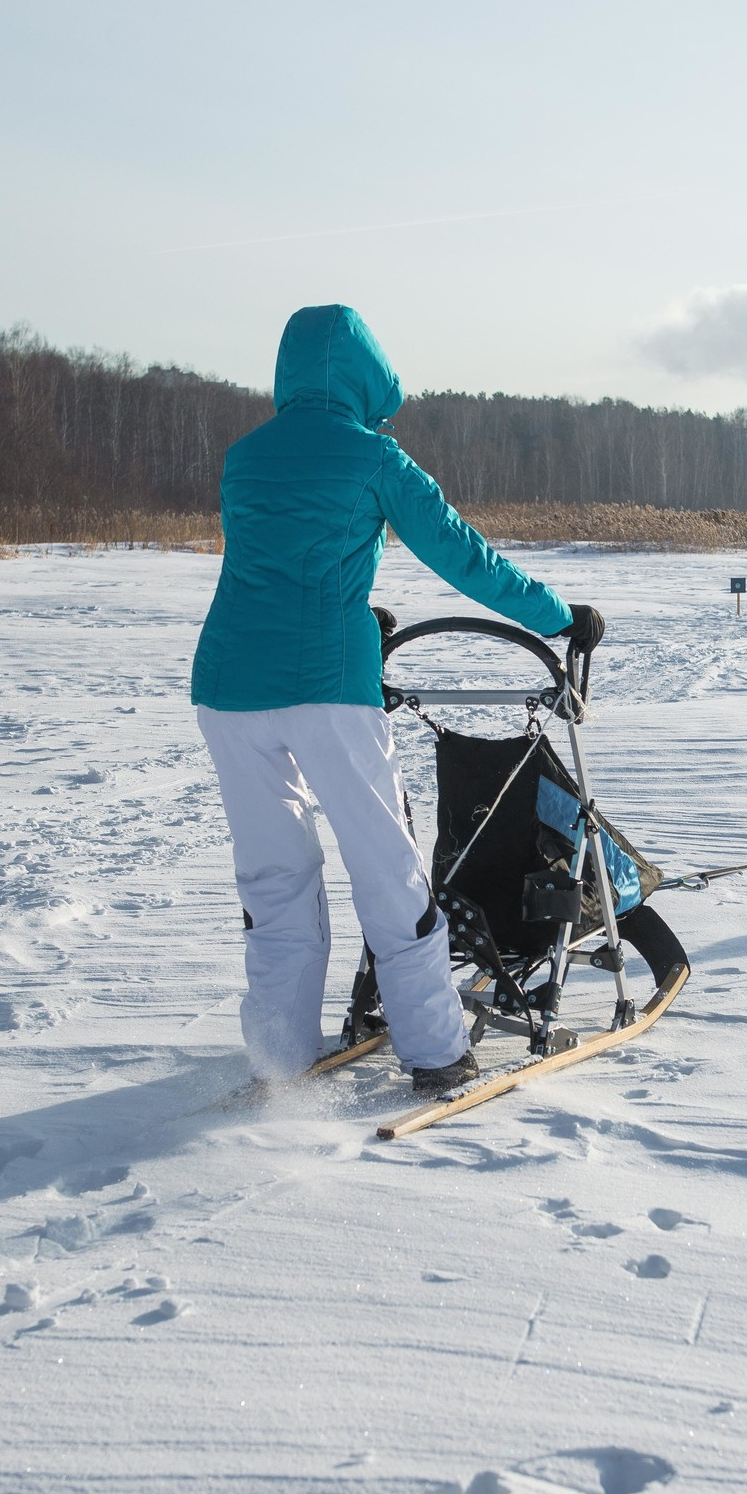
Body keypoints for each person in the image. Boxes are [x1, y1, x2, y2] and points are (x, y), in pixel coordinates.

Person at [191, 305, 603, 1090]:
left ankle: (280, 1058)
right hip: (325, 688)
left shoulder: (243, 458)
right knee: (388, 870)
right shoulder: (375, 458)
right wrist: (558, 617)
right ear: (366, 372)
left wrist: (356, 605)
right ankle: (437, 1051)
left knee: (274, 879)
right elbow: (464, 556)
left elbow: (276, 564)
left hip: (228, 688)